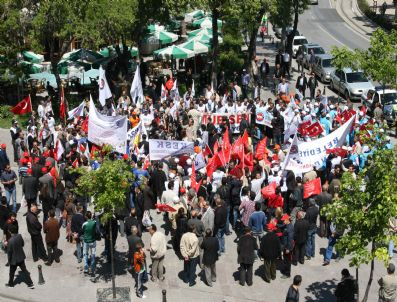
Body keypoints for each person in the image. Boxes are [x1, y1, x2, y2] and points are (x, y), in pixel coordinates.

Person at [82, 211, 96, 276]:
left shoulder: (84, 224)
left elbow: (82, 230)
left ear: (86, 216)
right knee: (93, 254)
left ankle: (86, 268)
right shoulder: (94, 222)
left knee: (85, 254)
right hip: (93, 240)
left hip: (86, 241)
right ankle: (92, 268)